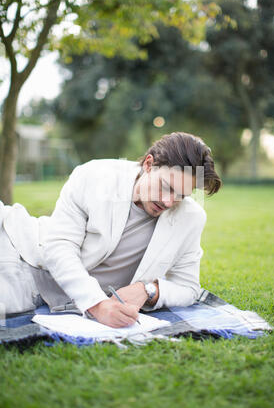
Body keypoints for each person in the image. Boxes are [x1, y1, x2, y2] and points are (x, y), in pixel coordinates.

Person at [0, 132, 221, 327]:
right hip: (23, 256)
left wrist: (149, 291)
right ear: (148, 164)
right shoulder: (94, 175)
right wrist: (98, 305)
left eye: (181, 195)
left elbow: (188, 288)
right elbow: (60, 247)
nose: (168, 201)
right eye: (166, 186)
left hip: (49, 296)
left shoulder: (191, 218)